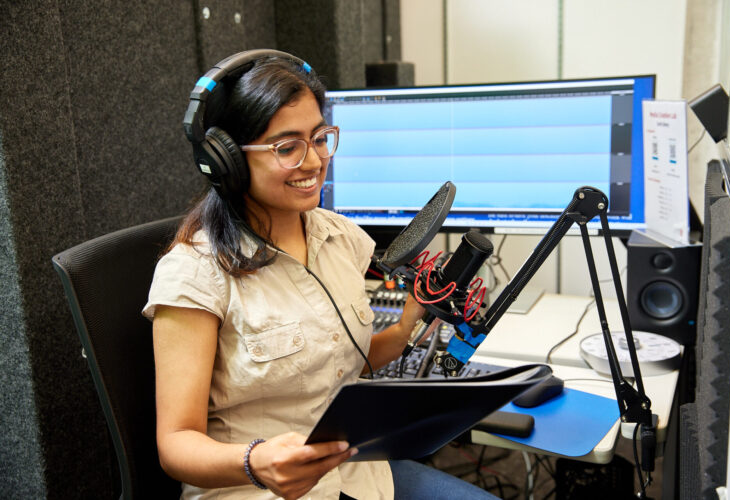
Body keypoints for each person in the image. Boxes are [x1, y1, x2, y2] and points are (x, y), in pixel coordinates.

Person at [143, 50, 499, 500]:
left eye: (319, 138)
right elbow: (175, 445)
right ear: (228, 160)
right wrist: (256, 462)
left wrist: (412, 319)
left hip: (358, 475)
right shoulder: (193, 272)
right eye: (287, 147)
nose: (313, 162)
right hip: (252, 490)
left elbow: (346, 361)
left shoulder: (342, 238)